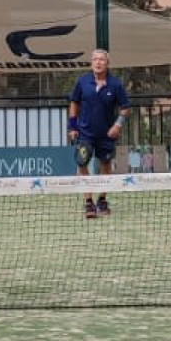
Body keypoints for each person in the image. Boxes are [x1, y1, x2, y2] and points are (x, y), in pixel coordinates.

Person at [67, 46, 130, 220]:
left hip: (106, 135)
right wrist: (72, 127)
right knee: (81, 163)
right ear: (91, 63)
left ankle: (102, 200)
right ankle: (89, 202)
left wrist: (117, 125)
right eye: (95, 59)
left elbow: (125, 108)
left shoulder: (115, 84)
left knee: (105, 165)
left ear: (107, 63)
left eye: (101, 59)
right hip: (85, 134)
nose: (98, 62)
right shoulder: (82, 82)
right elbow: (74, 103)